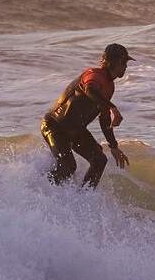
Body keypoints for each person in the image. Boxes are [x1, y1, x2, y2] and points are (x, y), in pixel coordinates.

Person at [41, 43, 133, 189]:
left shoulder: (110, 86)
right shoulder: (94, 74)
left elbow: (104, 118)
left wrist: (114, 146)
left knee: (99, 160)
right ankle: (38, 191)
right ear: (113, 62)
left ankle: (83, 199)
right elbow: (90, 89)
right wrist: (113, 108)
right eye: (124, 62)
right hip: (55, 125)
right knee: (68, 167)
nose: (126, 67)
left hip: (75, 129)